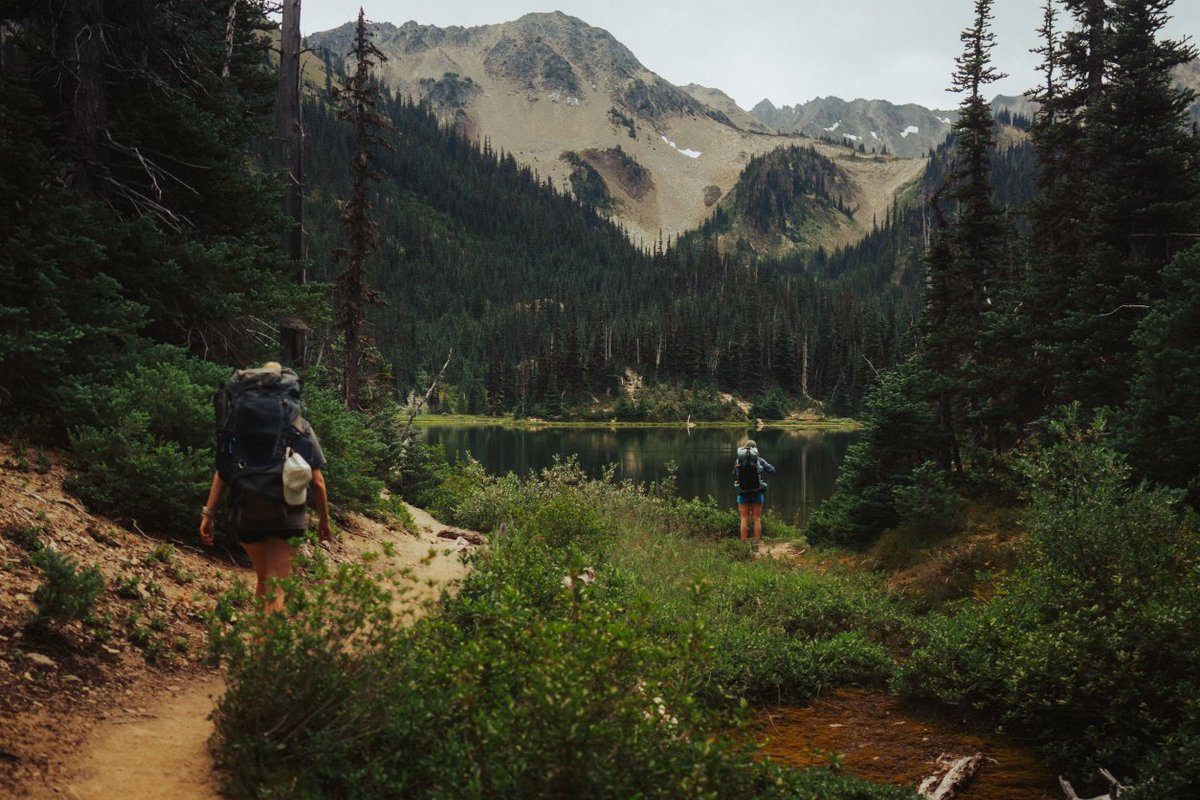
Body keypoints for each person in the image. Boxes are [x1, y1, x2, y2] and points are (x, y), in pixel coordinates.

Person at [199, 364, 332, 614]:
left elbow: (223, 472)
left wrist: (208, 514)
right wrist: (324, 521)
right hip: (287, 515)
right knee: (278, 587)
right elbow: (318, 482)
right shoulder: (298, 424)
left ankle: (260, 642)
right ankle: (268, 648)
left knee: (263, 580)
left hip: (247, 510)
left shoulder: (238, 423)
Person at [733, 438, 775, 553]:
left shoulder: (738, 460)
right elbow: (772, 470)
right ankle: (757, 544)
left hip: (743, 493)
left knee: (744, 518)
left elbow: (734, 473)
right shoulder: (759, 459)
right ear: (755, 449)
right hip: (757, 492)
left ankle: (743, 544)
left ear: (745, 448)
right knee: (756, 518)